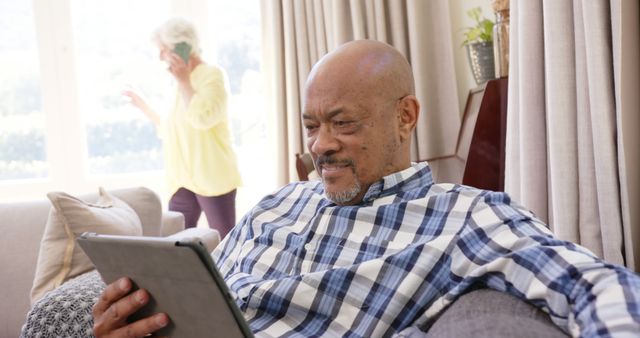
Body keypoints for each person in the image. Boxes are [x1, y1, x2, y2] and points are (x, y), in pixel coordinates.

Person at [93, 40, 640, 337]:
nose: (321, 145)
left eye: (343, 122)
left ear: (406, 117)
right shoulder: (274, 206)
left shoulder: (462, 217)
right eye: (311, 126)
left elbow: (595, 286)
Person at [123, 18, 242, 238]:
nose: (160, 56)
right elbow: (172, 129)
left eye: (164, 49)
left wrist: (185, 81)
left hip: (212, 176)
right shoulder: (177, 82)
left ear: (183, 46)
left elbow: (203, 118)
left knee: (226, 242)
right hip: (182, 179)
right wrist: (143, 105)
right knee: (175, 243)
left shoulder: (212, 75)